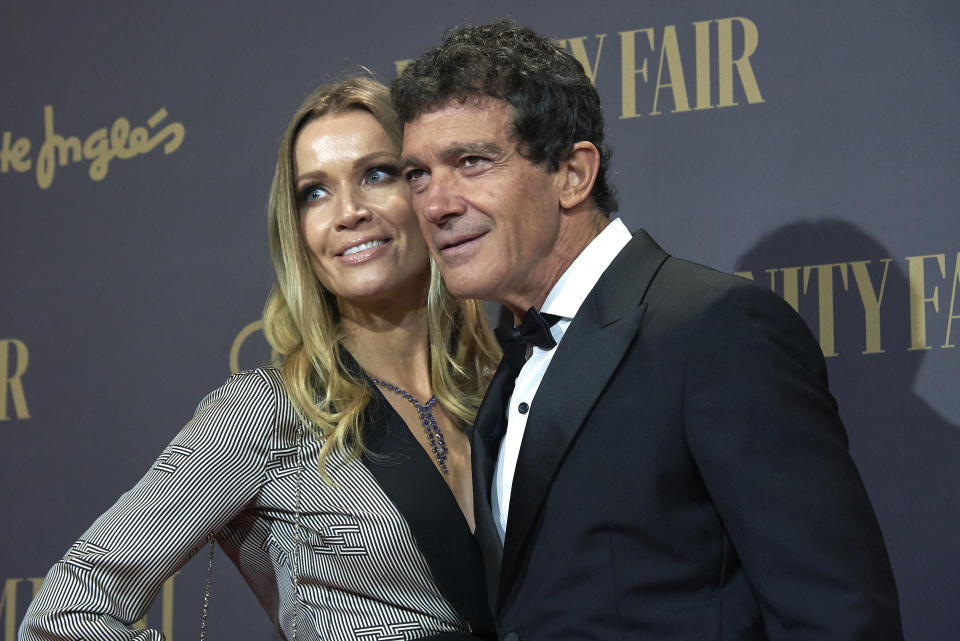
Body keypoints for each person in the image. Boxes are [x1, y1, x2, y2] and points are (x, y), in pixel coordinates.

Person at [392, 19, 904, 641]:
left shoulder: (714, 331)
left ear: (574, 175)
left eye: (471, 162)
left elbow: (837, 615)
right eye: (417, 174)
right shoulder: (511, 365)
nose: (436, 204)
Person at [20, 77, 499, 641]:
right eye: (314, 193)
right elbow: (63, 614)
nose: (348, 213)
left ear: (425, 191)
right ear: (296, 231)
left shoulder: (510, 391)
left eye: (377, 174)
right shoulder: (264, 409)